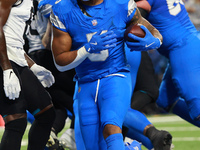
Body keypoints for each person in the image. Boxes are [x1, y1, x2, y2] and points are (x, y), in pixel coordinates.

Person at [50, 0, 163, 149]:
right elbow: (60, 62)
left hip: (115, 75)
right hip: (86, 81)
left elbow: (154, 32)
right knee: (92, 146)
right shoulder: (63, 9)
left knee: (111, 128)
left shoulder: (120, 4)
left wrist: (154, 41)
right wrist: (87, 49)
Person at [0, 0, 56, 149]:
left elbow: (14, 41)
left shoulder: (32, 2)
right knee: (16, 122)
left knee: (46, 114)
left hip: (16, 59)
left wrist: (34, 66)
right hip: (3, 61)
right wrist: (6, 69)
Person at [135, 0, 200, 127]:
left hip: (182, 48)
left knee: (197, 106)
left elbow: (132, 17)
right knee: (165, 100)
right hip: (187, 43)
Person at [25, 0, 77, 149]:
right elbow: (48, 40)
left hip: (33, 56)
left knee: (56, 107)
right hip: (49, 57)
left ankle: (51, 134)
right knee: (81, 104)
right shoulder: (48, 2)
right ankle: (74, 137)